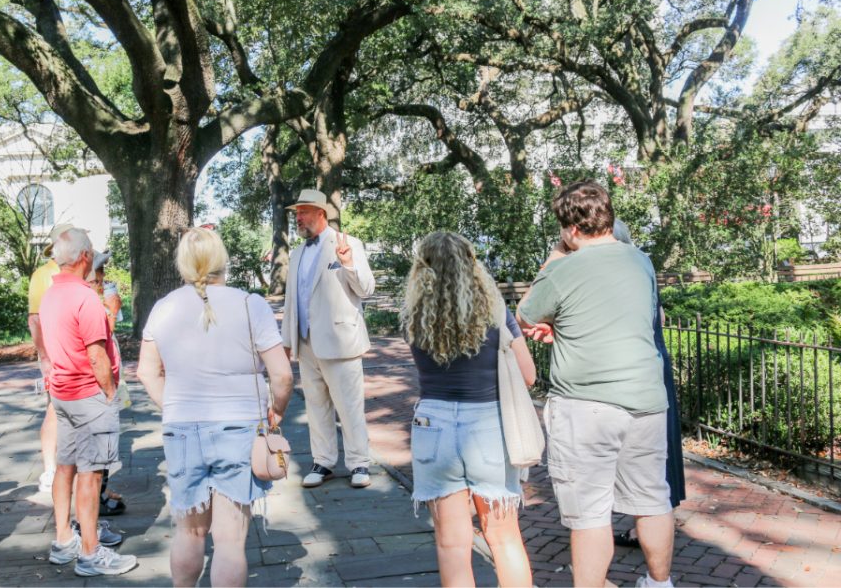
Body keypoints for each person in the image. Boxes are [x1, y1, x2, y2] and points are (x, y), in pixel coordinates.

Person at [517, 181, 675, 588]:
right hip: (646, 400)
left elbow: (525, 313)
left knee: (589, 514)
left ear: (569, 228)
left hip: (586, 405)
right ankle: (659, 583)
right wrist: (562, 326)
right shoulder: (641, 261)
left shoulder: (564, 267)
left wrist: (554, 260)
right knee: (652, 499)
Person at [138, 228, 293, 588]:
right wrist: (277, 411)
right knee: (229, 542)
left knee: (188, 533)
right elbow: (282, 375)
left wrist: (172, 406)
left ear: (183, 264)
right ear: (223, 261)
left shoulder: (164, 308)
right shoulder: (248, 304)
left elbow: (147, 372)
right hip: (238, 430)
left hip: (182, 428)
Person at [402, 232, 535, 588]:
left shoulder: (414, 317)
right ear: (472, 265)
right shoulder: (495, 313)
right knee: (504, 538)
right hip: (488, 426)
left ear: (422, 268)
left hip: (433, 427)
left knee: (451, 543)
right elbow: (529, 375)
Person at [39, 228, 136, 577]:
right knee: (91, 474)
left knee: (65, 466)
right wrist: (109, 394)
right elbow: (96, 354)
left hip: (63, 393)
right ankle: (91, 552)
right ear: (83, 257)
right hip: (88, 395)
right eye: (91, 253)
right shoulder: (84, 299)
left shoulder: (51, 294)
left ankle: (64, 540)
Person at [280, 189, 376, 488]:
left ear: (321, 213)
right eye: (296, 213)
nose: (298, 217)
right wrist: (286, 344)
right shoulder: (296, 254)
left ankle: (359, 463)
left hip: (340, 341)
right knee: (316, 405)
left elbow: (366, 289)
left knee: (349, 406)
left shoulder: (347, 244)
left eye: (304, 212)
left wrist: (347, 264)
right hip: (306, 343)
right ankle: (322, 462)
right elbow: (291, 302)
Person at [610, 220, 687, 548]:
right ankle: (655, 521)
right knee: (658, 447)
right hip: (655, 362)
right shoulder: (643, 267)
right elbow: (661, 316)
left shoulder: (613, 272)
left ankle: (647, 526)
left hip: (632, 368)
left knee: (636, 453)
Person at [27, 223, 75, 494]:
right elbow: (35, 319)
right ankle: (49, 469)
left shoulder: (83, 270)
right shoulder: (43, 275)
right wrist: (44, 357)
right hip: (55, 353)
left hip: (77, 352)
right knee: (54, 408)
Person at [86, 249, 128, 516]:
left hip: (99, 385)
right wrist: (112, 312)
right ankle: (97, 500)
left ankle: (101, 491)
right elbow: (98, 344)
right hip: (96, 388)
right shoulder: (86, 303)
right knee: (98, 449)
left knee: (99, 450)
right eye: (99, 278)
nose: (103, 283)